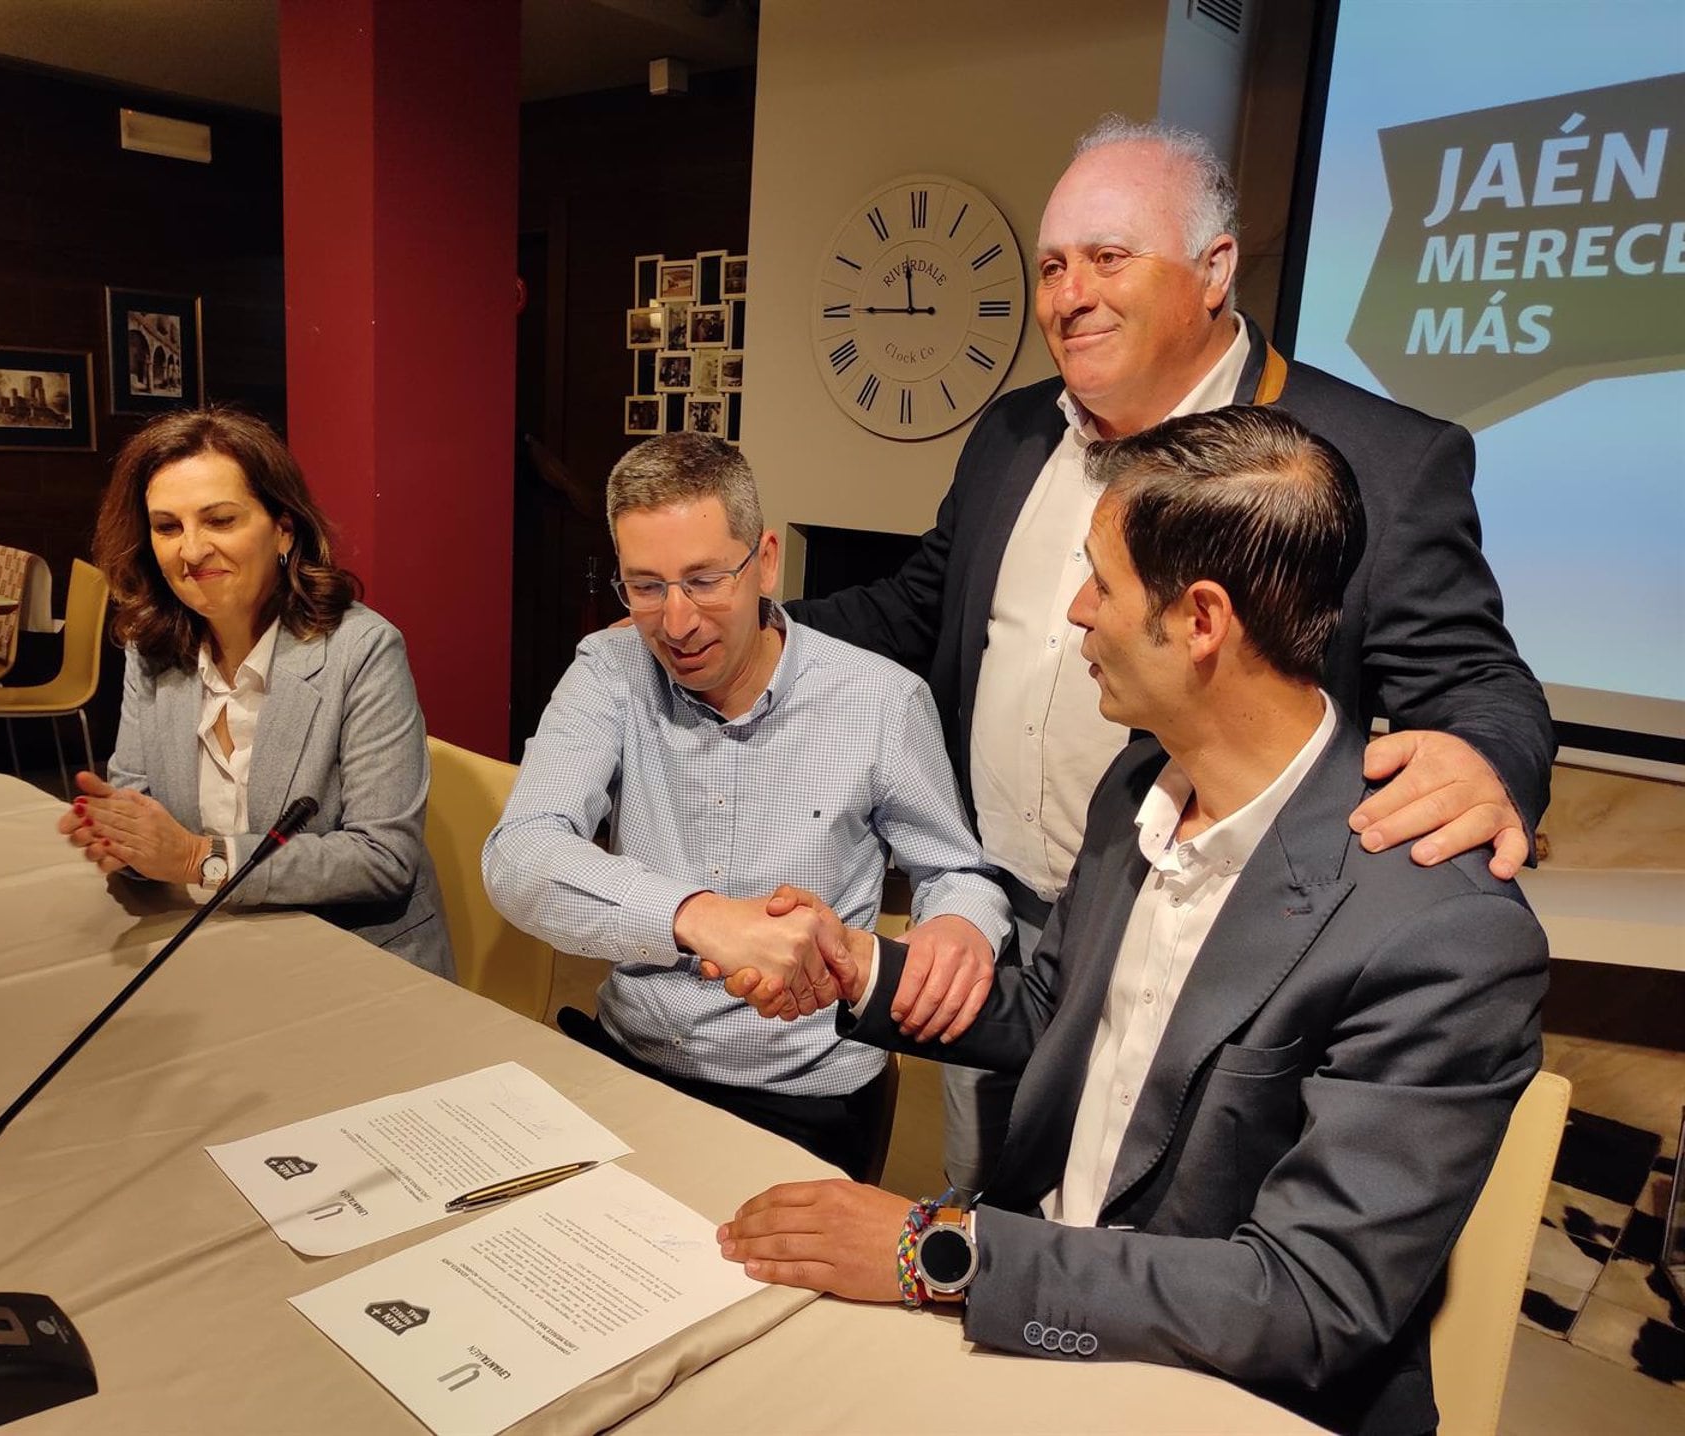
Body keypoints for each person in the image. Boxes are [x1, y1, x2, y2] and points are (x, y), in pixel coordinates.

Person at [719, 406, 1547, 1436]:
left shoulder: (1443, 929)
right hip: (1044, 1327)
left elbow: (1307, 1300)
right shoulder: (1144, 781)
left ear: (1201, 620)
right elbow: (1051, 1011)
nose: (1075, 610)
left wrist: (941, 1251)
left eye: (1102, 582)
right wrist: (862, 971)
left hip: (1224, 1394)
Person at [789, 115, 1556, 1192]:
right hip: (998, 923)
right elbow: (922, 608)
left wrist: (1487, 760)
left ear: (1214, 270)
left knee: (1151, 1214)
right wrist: (761, 630)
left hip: (1207, 948)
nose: (1069, 294)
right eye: (1053, 265)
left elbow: (1477, 679)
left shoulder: (1372, 461)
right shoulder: (1011, 435)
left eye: (1109, 257)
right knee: (1004, 1192)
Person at [483, 433, 1010, 1180]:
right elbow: (519, 854)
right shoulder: (609, 672)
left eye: (703, 580)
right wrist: (703, 919)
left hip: (805, 1093)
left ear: (765, 560)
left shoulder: (881, 700)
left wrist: (957, 925)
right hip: (633, 1059)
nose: (676, 622)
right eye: (645, 586)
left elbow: (957, 870)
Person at [56, 407, 454, 978]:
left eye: (219, 520)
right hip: (206, 944)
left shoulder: (363, 650)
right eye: (168, 527)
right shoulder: (152, 650)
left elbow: (382, 858)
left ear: (283, 529)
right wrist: (125, 840)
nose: (190, 551)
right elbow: (142, 807)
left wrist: (200, 858)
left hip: (353, 959)